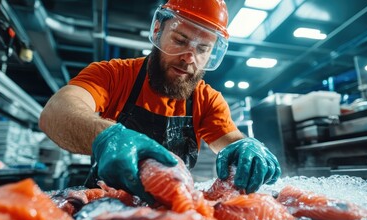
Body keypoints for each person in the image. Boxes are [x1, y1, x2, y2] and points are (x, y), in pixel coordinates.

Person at [39, 0, 281, 203]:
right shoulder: (113, 75)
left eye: (203, 49)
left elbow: (231, 143)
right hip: (103, 206)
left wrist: (247, 147)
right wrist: (107, 136)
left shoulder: (207, 100)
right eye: (180, 40)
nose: (189, 58)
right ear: (157, 31)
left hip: (172, 210)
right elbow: (57, 111)